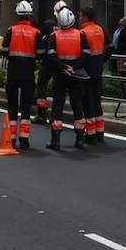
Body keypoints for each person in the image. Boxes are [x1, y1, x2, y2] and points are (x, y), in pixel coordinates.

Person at [1, 0, 43, 148]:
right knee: (25, 106)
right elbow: (40, 53)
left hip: (13, 72)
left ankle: (11, 139)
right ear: (29, 16)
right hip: (28, 73)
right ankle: (24, 139)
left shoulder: (11, 30)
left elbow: (4, 50)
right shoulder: (36, 32)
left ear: (18, 16)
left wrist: (12, 57)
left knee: (12, 106)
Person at [46, 8, 90, 151]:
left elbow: (51, 56)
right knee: (77, 105)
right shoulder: (80, 35)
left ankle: (55, 140)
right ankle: (80, 140)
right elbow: (86, 55)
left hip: (60, 74)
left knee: (58, 105)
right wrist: (74, 67)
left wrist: (63, 67)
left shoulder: (54, 35)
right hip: (75, 75)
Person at [79, 7, 109, 144]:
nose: (79, 18)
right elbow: (110, 46)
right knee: (97, 101)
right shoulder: (100, 29)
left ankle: (90, 134)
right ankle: (100, 133)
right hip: (98, 69)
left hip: (86, 72)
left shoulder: (83, 32)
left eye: (80, 16)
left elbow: (81, 53)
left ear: (85, 17)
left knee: (87, 102)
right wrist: (102, 60)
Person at [34, 0, 66, 124]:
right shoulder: (70, 27)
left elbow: (41, 42)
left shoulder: (48, 24)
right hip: (61, 61)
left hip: (48, 61)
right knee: (59, 89)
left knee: (42, 85)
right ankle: (55, 116)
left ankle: (41, 115)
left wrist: (39, 57)